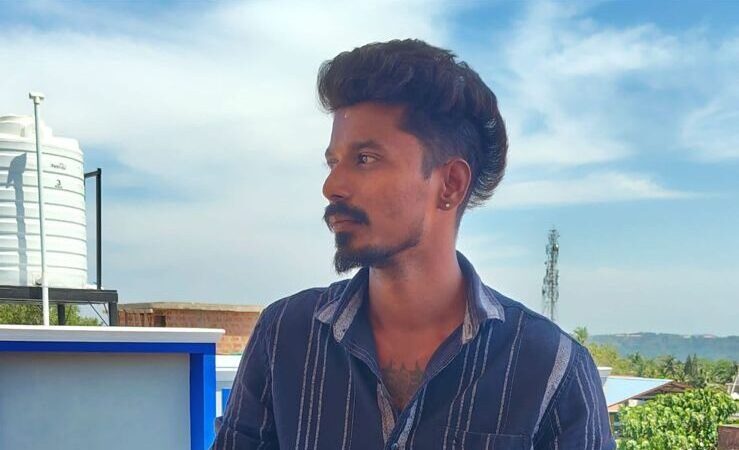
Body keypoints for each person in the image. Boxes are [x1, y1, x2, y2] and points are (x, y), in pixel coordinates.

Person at [212, 39, 615, 450]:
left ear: (450, 184)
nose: (332, 185)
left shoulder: (550, 371)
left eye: (365, 159)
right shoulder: (285, 338)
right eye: (333, 162)